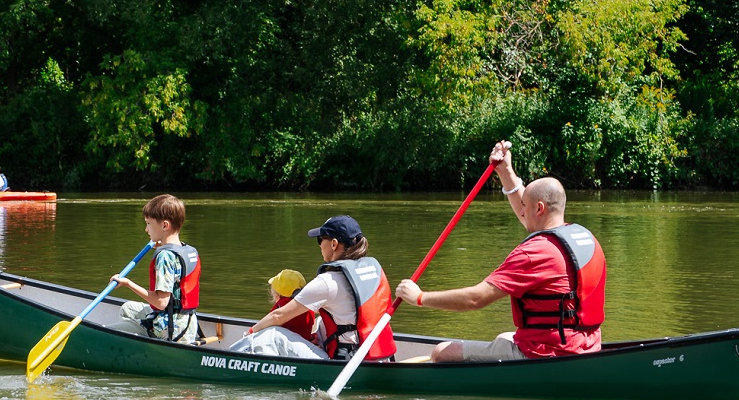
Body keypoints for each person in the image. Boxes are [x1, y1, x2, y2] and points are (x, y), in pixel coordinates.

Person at [393, 141, 607, 362]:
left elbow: (476, 299)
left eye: (525, 206)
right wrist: (505, 171)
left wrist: (419, 297)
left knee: (441, 351)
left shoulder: (534, 254)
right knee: (505, 336)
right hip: (587, 345)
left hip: (545, 352)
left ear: (540, 208)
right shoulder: (584, 238)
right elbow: (531, 212)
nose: (521, 212)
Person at [245, 215, 398, 361]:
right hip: (380, 355)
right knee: (320, 321)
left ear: (334, 244)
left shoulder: (327, 281)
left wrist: (250, 332)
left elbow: (278, 316)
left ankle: (229, 356)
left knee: (273, 335)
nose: (319, 245)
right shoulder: (373, 271)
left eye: (320, 239)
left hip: (346, 362)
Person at [110, 194, 201, 343]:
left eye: (148, 224)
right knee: (128, 308)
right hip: (188, 323)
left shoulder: (165, 256)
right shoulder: (187, 250)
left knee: (110, 332)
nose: (146, 229)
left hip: (170, 330)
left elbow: (161, 303)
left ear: (165, 225)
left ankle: (139, 347)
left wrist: (128, 284)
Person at [228, 269, 326, 358]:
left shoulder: (282, 306)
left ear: (277, 294)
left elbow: (272, 320)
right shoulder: (306, 306)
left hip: (284, 349)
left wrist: (250, 331)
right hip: (300, 344)